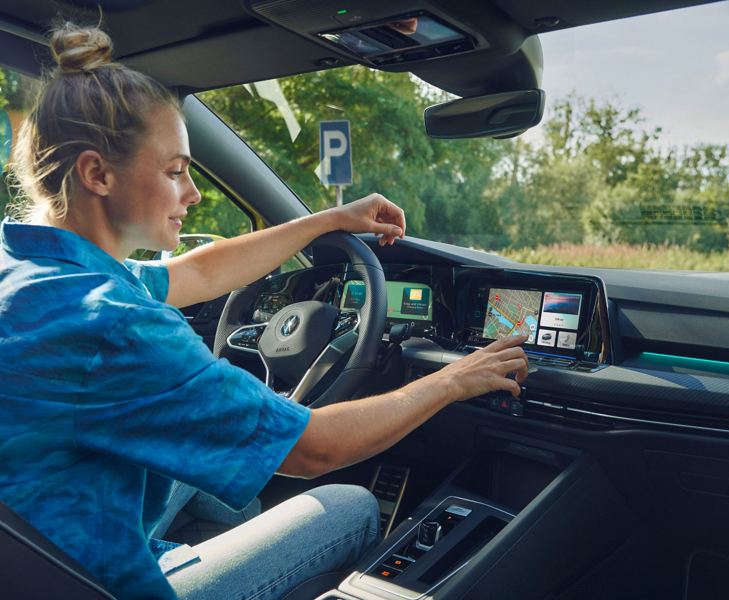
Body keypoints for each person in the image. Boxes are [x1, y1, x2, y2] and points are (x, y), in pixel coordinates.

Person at [0, 22, 529, 600]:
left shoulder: (33, 271)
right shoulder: (116, 325)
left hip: (47, 553)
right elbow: (313, 451)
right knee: (349, 505)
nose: (193, 193)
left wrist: (327, 219)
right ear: (96, 173)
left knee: (211, 476)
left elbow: (199, 274)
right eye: (175, 171)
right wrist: (453, 379)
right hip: (102, 582)